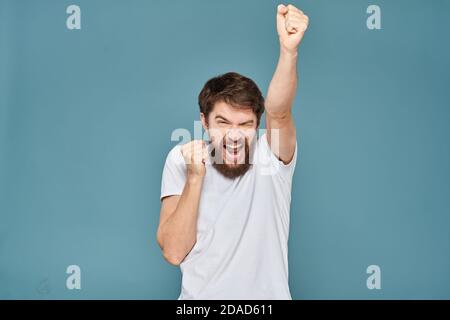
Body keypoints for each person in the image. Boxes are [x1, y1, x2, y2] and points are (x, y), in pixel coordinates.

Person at [157, 4, 309, 299]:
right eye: (223, 122)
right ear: (204, 121)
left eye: (245, 124)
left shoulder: (272, 157)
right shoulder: (182, 159)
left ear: (258, 125)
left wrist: (288, 51)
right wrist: (195, 177)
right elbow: (174, 252)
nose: (235, 135)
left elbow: (280, 112)